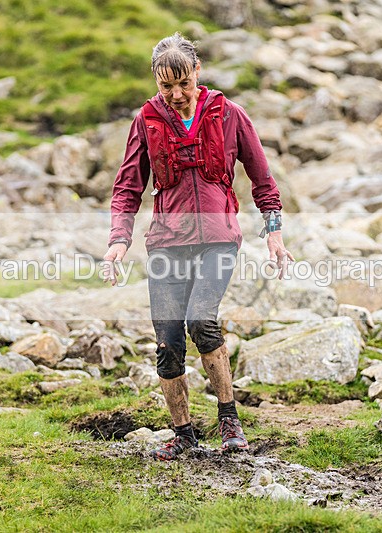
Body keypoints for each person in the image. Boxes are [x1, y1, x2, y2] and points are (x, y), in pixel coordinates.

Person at [103, 33, 294, 461]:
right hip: (168, 243)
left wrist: (274, 232)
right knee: (168, 341)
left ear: (198, 72)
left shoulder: (230, 115)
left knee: (201, 321)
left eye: (184, 84)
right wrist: (118, 240)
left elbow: (263, 179)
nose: (176, 95)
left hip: (219, 239)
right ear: (156, 81)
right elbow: (127, 187)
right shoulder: (146, 120)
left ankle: (230, 422)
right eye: (165, 86)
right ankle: (184, 434)